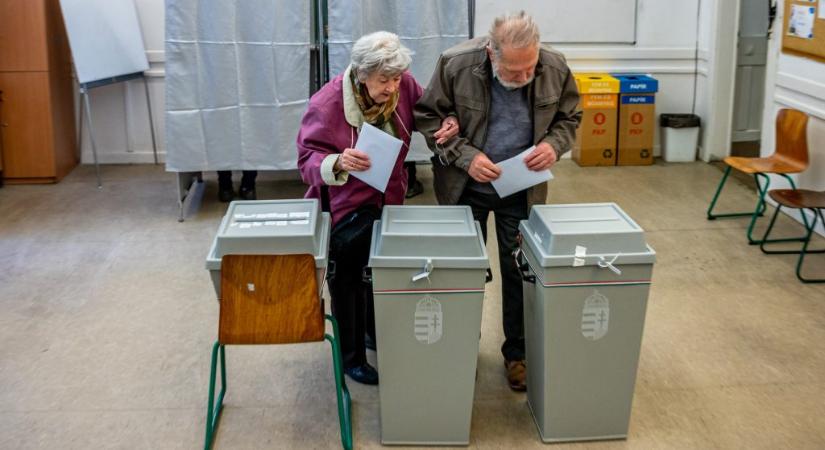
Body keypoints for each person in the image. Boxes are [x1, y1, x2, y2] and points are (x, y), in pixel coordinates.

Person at [414, 11, 581, 391]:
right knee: (462, 272)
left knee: (520, 271)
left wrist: (554, 146)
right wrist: (465, 156)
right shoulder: (456, 64)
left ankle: (517, 354)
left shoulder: (554, 66)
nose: (524, 78)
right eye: (514, 71)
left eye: (530, 70)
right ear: (491, 54)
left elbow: (570, 117)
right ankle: (460, 349)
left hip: (522, 189)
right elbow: (427, 116)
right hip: (464, 187)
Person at [296, 31, 457, 385]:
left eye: (397, 78)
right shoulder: (327, 104)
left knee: (377, 272)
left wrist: (446, 123)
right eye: (384, 79)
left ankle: (371, 333)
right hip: (345, 208)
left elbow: (427, 113)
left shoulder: (404, 86)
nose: (393, 87)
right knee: (348, 281)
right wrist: (338, 161)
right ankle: (351, 358)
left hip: (388, 199)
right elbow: (306, 161)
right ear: (361, 73)